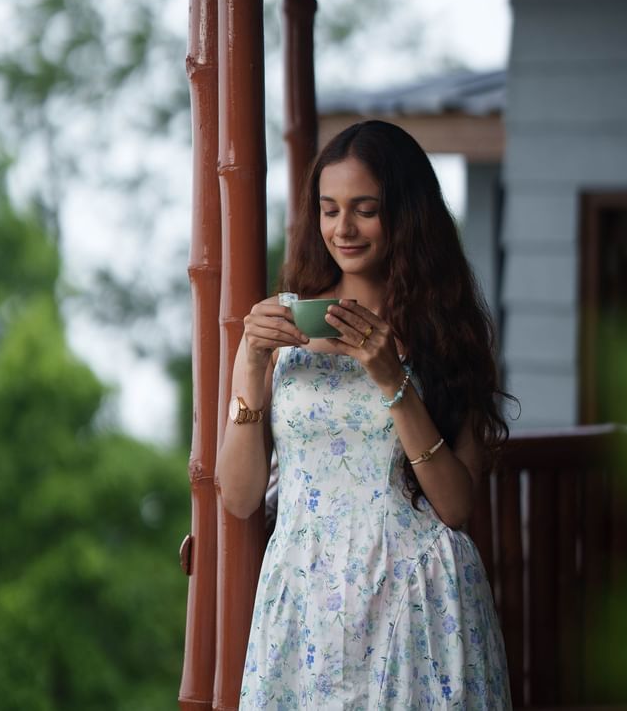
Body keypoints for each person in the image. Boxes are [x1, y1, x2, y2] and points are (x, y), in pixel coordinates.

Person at [216, 119, 513, 710]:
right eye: (328, 210)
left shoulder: (446, 337)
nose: (342, 229)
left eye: (364, 209)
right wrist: (250, 365)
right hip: (302, 601)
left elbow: (455, 507)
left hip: (417, 600)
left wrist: (392, 380)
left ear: (406, 214)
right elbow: (240, 496)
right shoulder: (287, 329)